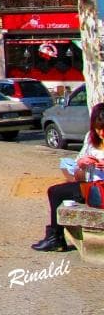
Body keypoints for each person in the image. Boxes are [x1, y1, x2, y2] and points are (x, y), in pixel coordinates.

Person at [31, 101, 104, 252]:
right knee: (55, 191)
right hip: (91, 186)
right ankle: (55, 238)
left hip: (100, 189)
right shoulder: (90, 138)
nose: (101, 132)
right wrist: (83, 163)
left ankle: (55, 238)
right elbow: (77, 166)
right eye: (98, 128)